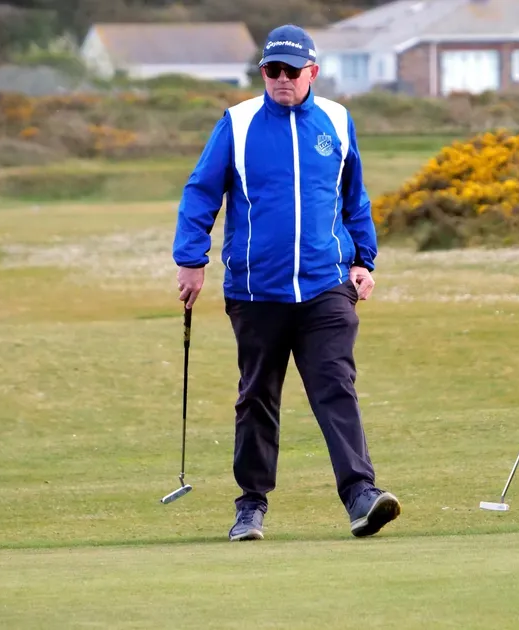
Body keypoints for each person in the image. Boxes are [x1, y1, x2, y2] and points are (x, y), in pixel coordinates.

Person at [172, 24, 401, 542]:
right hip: (256, 291)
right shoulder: (238, 122)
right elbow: (200, 191)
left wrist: (365, 259)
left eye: (291, 71)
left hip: (326, 285)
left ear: (312, 73)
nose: (280, 79)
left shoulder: (338, 121)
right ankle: (250, 505)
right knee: (257, 396)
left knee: (334, 386)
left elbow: (354, 197)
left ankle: (361, 495)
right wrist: (191, 259)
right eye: (271, 70)